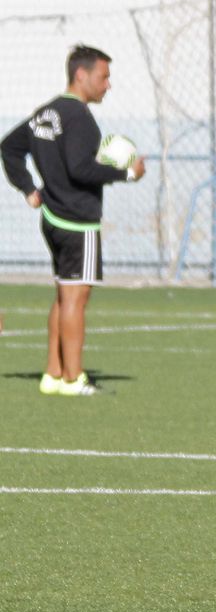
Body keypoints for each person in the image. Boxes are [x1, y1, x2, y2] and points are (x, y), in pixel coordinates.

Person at [2, 44, 146, 396]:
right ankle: (74, 377)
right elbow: (81, 168)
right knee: (76, 299)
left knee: (64, 296)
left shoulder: (46, 113)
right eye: (104, 77)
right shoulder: (79, 116)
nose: (107, 85)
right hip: (77, 220)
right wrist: (127, 172)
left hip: (53, 217)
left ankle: (53, 373)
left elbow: (8, 146)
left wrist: (29, 189)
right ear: (81, 75)